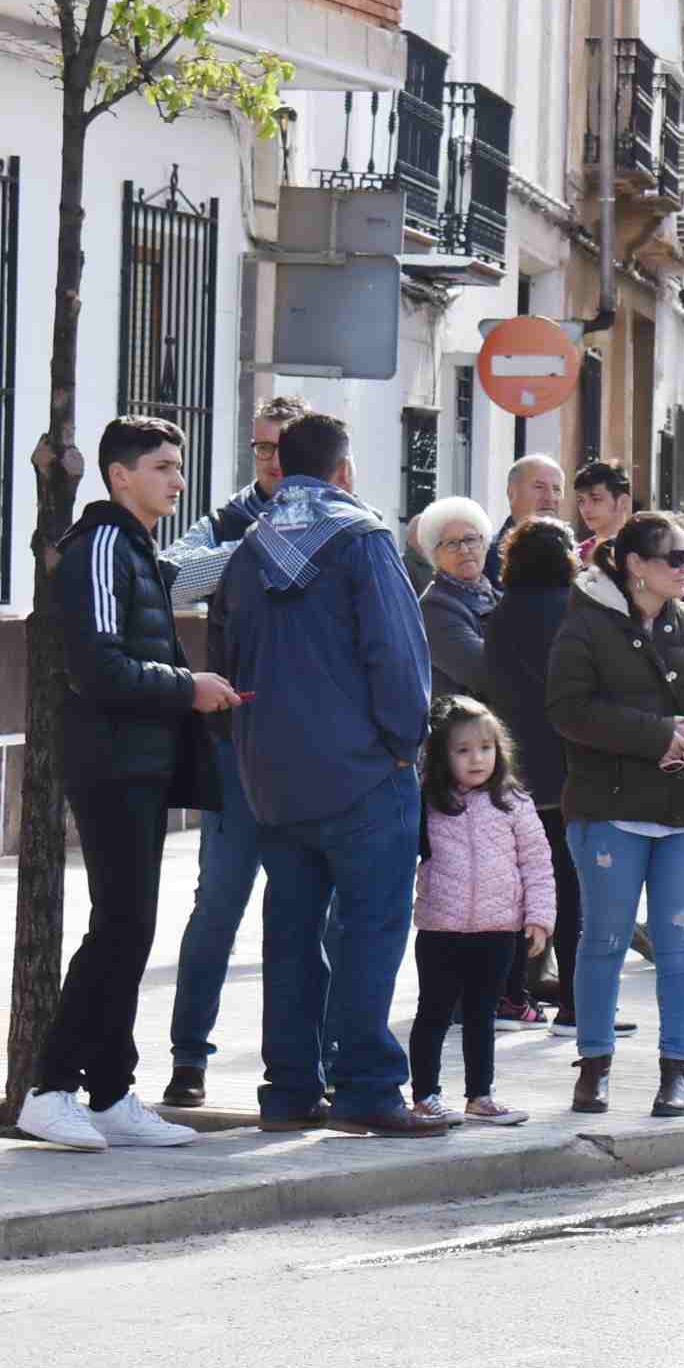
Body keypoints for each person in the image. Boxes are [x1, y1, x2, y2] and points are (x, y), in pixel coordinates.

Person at [221, 411, 448, 1138]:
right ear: (345, 470)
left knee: (289, 934)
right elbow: (397, 654)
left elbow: (231, 653)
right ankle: (367, 1088)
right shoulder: (363, 539)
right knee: (370, 932)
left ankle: (288, 1089)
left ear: (280, 469)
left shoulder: (249, 550)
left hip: (275, 777)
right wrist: (401, 745)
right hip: (363, 774)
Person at [18, 417, 240, 1151]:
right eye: (164, 467)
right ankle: (51, 1089)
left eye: (178, 467)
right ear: (120, 476)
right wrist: (190, 686)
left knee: (130, 928)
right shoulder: (106, 543)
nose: (178, 481)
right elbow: (99, 667)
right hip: (112, 764)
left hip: (137, 761)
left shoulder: (138, 547)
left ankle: (111, 1093)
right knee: (119, 926)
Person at [548, 510, 684, 1118]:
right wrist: (655, 734)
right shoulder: (584, 629)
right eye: (676, 557)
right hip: (610, 810)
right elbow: (569, 710)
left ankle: (677, 1069)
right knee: (603, 938)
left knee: (679, 942)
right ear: (636, 566)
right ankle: (594, 1065)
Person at [154, 391, 309, 1108]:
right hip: (233, 747)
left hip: (314, 751)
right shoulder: (230, 517)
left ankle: (303, 1064)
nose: (271, 460)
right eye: (261, 448)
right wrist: (255, 543)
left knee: (306, 912)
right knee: (218, 903)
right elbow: (171, 578)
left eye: (282, 447)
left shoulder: (340, 518)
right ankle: (189, 1058)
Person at [483, 519, 634, 1039]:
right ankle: (577, 1004)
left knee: (520, 887)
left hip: (515, 773)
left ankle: (510, 995)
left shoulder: (496, 617)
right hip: (574, 771)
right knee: (576, 892)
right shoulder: (580, 614)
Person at [408, 696, 556, 1127]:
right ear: (442, 756)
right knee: (433, 1012)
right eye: (463, 750)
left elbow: (537, 862)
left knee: (481, 1015)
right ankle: (425, 1096)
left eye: (486, 748)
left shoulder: (514, 803)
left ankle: (480, 1095)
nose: (477, 759)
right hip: (440, 928)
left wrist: (539, 917)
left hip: (497, 930)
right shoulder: (428, 803)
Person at [415, 497, 500, 702]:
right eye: (452, 544)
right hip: (463, 728)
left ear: (484, 543)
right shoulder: (434, 607)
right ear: (434, 555)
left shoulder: (498, 595)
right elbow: (486, 673)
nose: (464, 549)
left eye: (470, 539)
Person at [482, 453, 563, 591]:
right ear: (511, 493)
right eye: (539, 487)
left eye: (556, 489)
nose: (550, 498)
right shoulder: (484, 557)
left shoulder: (573, 554)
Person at [570, 459, 632, 561]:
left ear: (622, 502)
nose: (586, 509)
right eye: (581, 500)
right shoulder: (577, 556)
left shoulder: (641, 552)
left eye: (596, 499)